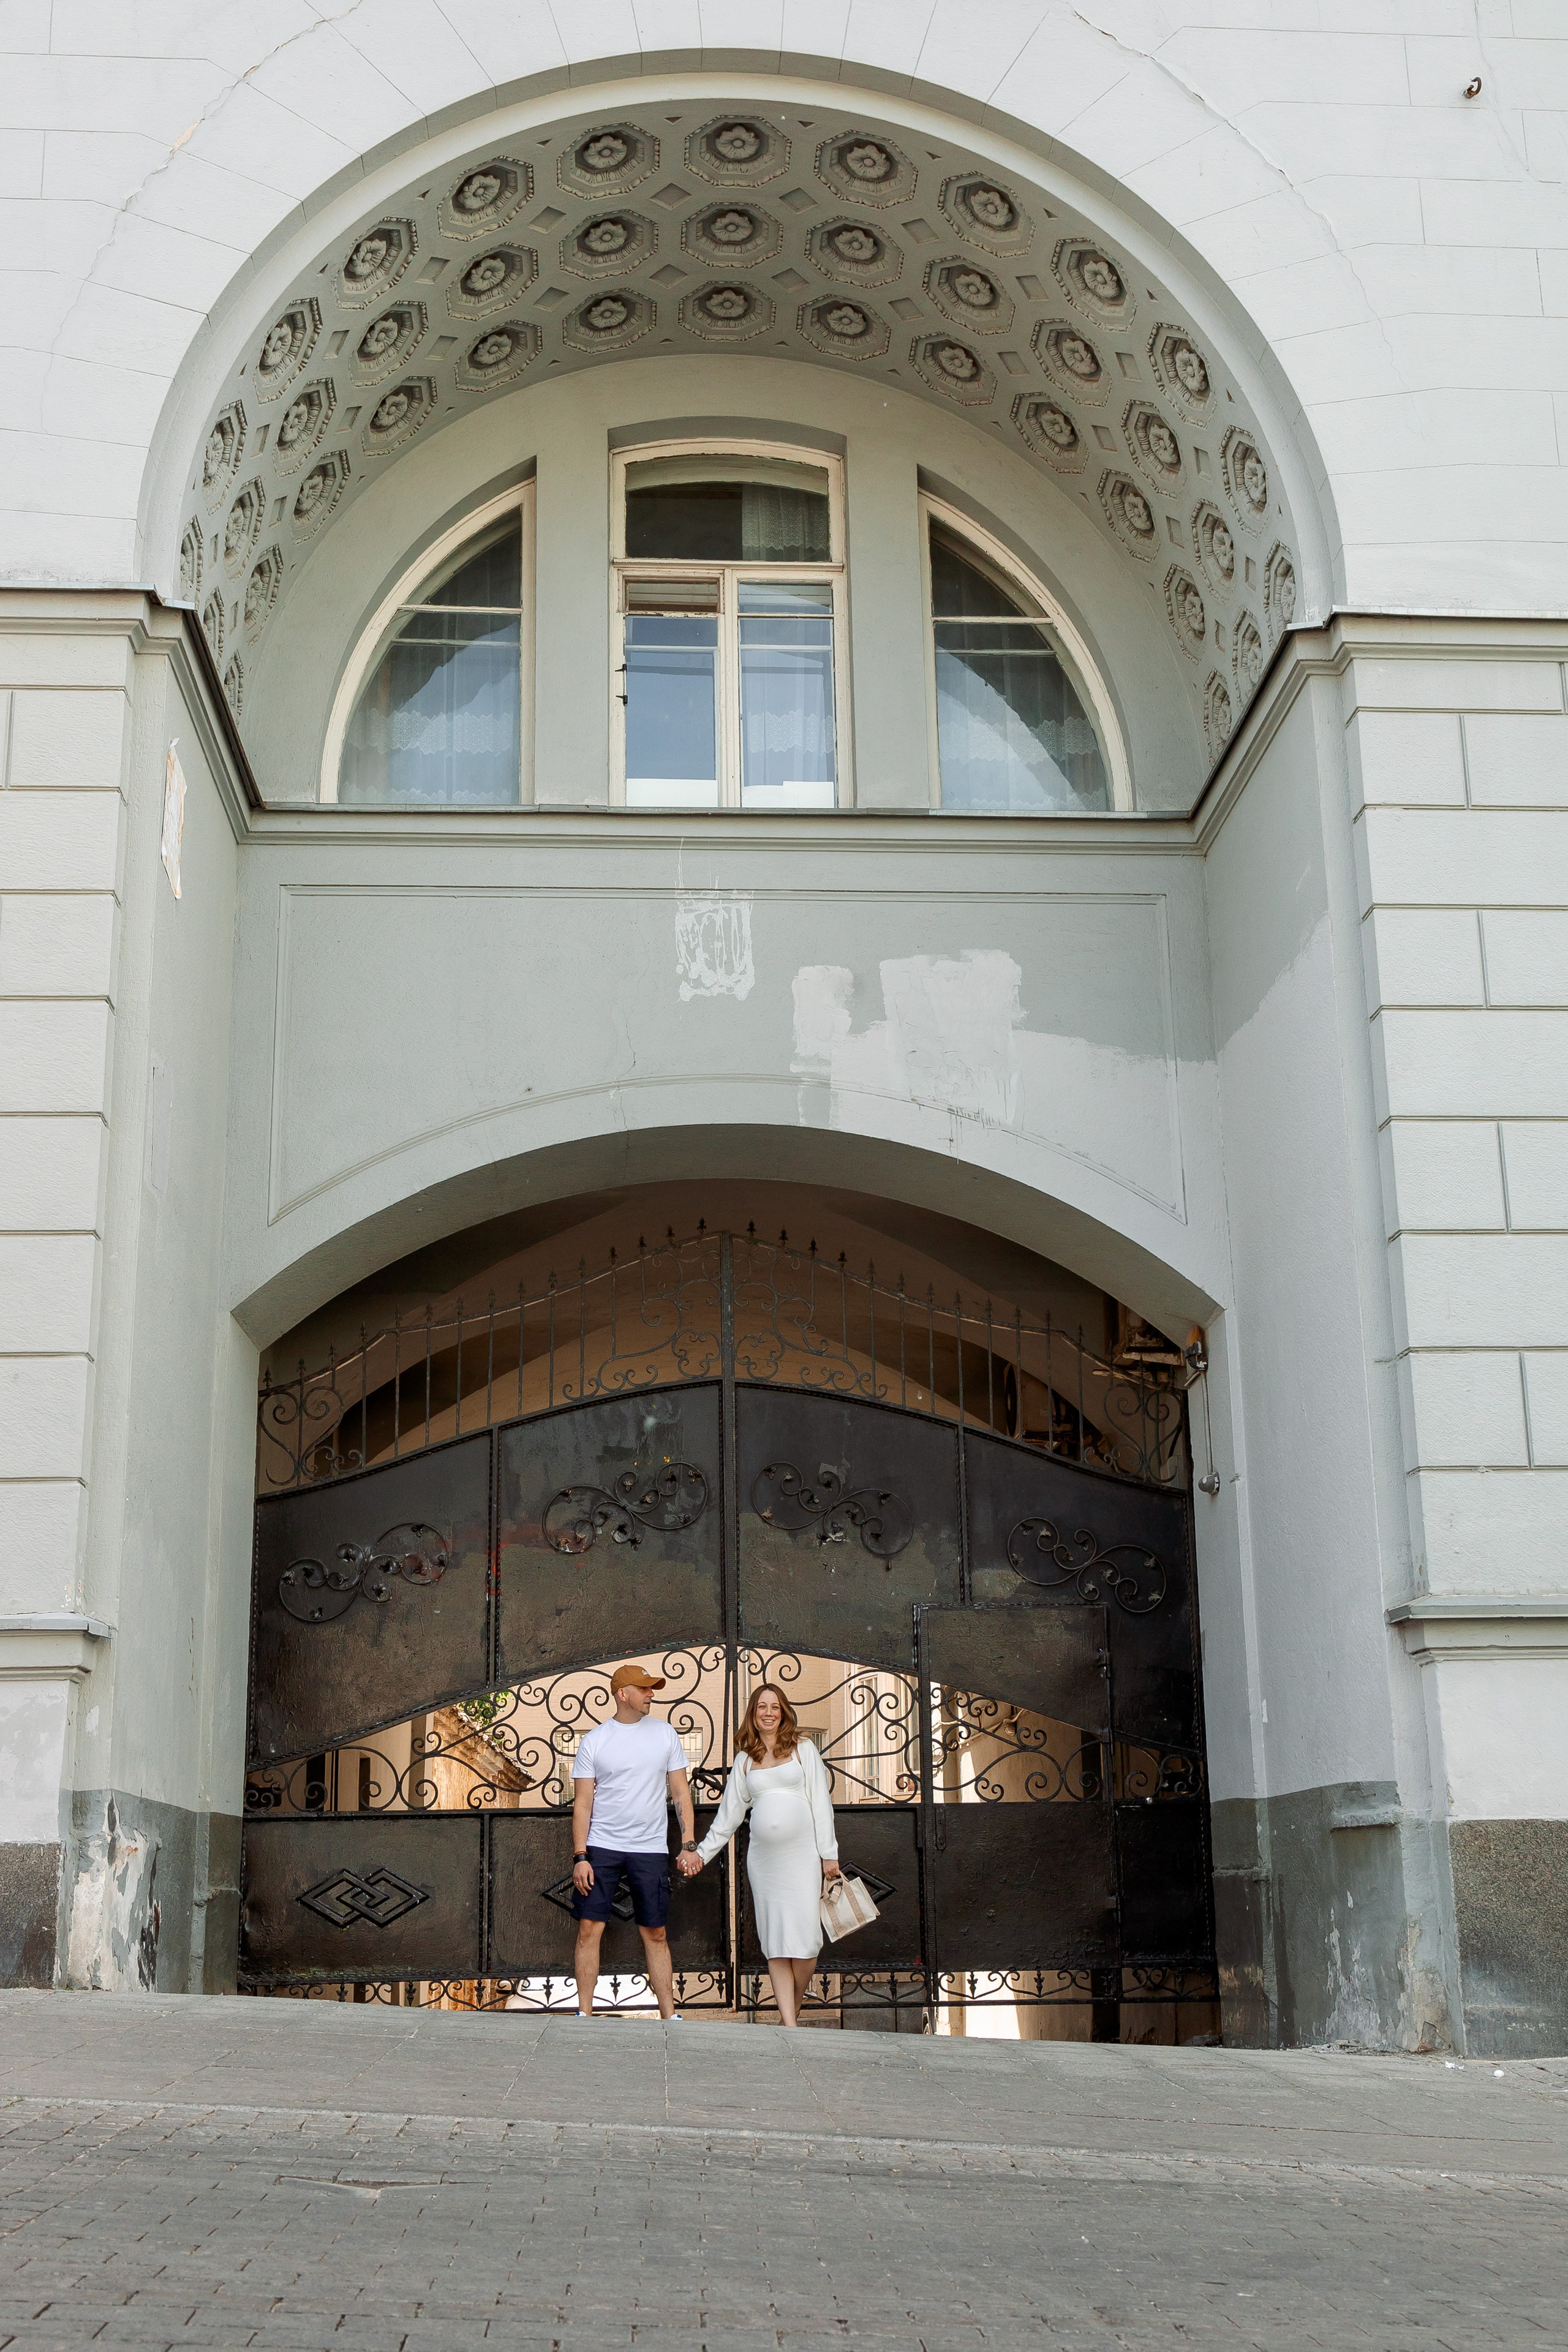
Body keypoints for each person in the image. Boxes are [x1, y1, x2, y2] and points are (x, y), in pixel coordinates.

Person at [679, 1683, 841, 2026]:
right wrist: (700, 1854)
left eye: (775, 1707)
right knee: (777, 1941)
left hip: (803, 1859)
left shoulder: (804, 1749)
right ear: (753, 1714)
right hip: (765, 1865)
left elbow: (822, 1805)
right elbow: (728, 1818)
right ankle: (791, 2026)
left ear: (783, 1712)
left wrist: (829, 1854)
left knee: (808, 1943)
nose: (768, 1713)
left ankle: (791, 2011)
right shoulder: (744, 1761)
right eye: (761, 1707)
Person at [571, 1663, 697, 2020]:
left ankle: (669, 2016)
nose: (651, 1694)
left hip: (650, 1849)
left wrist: (688, 1842)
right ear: (622, 1694)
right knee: (588, 1928)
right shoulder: (595, 1741)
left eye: (652, 1689)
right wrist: (581, 1856)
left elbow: (680, 1794)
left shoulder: (665, 1735)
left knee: (656, 1932)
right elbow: (582, 1804)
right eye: (644, 1689)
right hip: (602, 1847)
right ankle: (584, 2014)